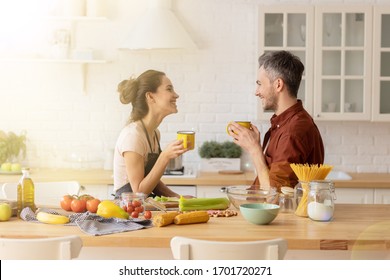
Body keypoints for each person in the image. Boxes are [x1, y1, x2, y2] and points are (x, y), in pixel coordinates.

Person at [227, 51, 324, 192]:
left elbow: (275, 195)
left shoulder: (293, 131)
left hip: (279, 214)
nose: (256, 92)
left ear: (278, 84)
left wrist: (254, 150)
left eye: (260, 84)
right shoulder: (285, 123)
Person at [113, 69, 189, 199]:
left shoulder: (153, 133)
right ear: (150, 96)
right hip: (128, 210)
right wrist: (164, 156)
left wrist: (177, 197)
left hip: (144, 206)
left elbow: (151, 181)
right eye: (169, 89)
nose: (176, 95)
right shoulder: (133, 136)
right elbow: (138, 194)